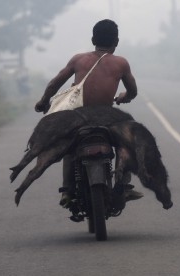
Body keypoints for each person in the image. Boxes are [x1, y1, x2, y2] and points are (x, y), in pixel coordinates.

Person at [34, 19, 142, 207]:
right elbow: (133, 91)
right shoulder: (121, 63)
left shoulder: (78, 60)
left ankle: (67, 191)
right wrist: (124, 97)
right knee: (127, 143)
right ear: (116, 42)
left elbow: (55, 83)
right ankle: (123, 186)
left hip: (78, 119)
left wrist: (44, 101)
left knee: (69, 146)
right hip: (106, 120)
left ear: (93, 39)